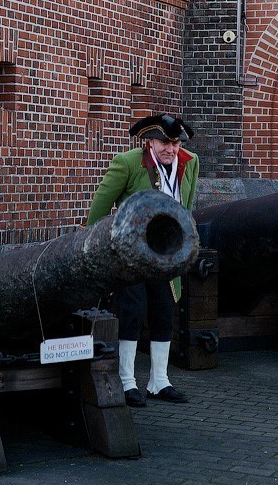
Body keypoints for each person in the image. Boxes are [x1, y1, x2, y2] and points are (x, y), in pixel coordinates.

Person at [87, 113, 199, 407]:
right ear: (148, 141)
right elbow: (99, 208)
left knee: (164, 313)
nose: (170, 149)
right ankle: (126, 381)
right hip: (130, 255)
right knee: (132, 313)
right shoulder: (127, 163)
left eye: (174, 142)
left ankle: (159, 381)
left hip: (164, 255)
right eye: (163, 142)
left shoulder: (190, 163)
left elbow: (185, 210)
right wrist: (93, 250)